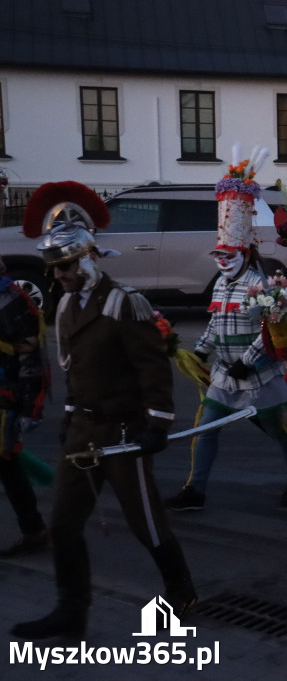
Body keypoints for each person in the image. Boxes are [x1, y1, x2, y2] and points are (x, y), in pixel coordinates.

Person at [12, 181, 195, 639]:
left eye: (65, 267)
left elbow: (153, 370)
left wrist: (156, 424)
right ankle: (71, 609)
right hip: (83, 433)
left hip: (121, 433)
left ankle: (181, 590)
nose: (58, 277)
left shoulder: (123, 303)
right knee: (64, 524)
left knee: (145, 521)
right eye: (55, 270)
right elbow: (76, 371)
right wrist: (71, 415)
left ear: (87, 258)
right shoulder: (68, 306)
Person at [167, 171, 287, 510]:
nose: (222, 262)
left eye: (228, 256)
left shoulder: (263, 287)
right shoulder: (219, 285)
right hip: (224, 377)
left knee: (277, 430)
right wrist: (200, 352)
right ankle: (195, 490)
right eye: (218, 257)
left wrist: (249, 361)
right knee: (205, 429)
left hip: (259, 378)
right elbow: (216, 323)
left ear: (244, 254)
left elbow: (272, 330)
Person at [0, 261, 49, 557]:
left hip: (4, 399)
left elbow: (31, 360)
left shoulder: (13, 300)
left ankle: (34, 530)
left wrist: (31, 407)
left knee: (6, 464)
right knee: (7, 467)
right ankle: (34, 529)